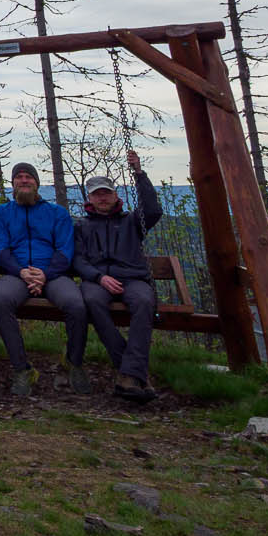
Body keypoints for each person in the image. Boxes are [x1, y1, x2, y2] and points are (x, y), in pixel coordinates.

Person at [0, 161, 89, 397]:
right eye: (19, 177)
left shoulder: (57, 214)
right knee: (1, 300)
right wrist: (22, 272)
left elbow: (65, 250)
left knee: (76, 305)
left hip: (52, 275)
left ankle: (73, 362)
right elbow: (0, 250)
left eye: (28, 177)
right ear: (12, 183)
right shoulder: (0, 214)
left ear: (37, 183)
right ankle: (22, 369)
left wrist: (45, 274)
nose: (24, 180)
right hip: (16, 274)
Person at [74, 150, 165, 402]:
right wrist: (99, 277)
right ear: (90, 198)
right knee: (91, 303)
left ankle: (128, 374)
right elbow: (77, 259)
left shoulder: (132, 222)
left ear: (116, 196)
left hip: (133, 278)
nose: (102, 198)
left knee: (144, 302)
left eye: (107, 193)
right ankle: (133, 373)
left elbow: (153, 209)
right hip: (97, 280)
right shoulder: (82, 226)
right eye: (97, 194)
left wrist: (139, 173)